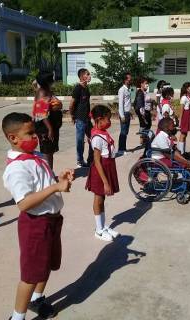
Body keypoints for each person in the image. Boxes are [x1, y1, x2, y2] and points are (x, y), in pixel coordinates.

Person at [2, 112, 74, 320]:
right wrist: (55, 188)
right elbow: (24, 203)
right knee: (30, 275)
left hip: (52, 220)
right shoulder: (16, 168)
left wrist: (59, 178)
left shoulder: (37, 157)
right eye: (30, 133)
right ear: (13, 138)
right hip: (35, 224)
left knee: (47, 265)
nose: (36, 137)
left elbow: (45, 182)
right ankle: (17, 317)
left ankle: (37, 298)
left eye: (35, 132)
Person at [151, 118, 190, 197]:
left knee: (188, 164)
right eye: (172, 125)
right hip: (159, 161)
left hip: (165, 158)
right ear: (166, 127)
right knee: (186, 165)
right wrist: (185, 162)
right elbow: (169, 155)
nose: (174, 126)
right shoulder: (161, 137)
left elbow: (174, 151)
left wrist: (185, 160)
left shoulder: (166, 136)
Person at [85, 105, 120, 241]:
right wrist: (105, 182)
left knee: (102, 198)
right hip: (101, 170)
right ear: (99, 119)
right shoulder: (97, 137)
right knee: (98, 198)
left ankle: (103, 226)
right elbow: (97, 161)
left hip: (108, 166)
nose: (110, 122)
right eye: (108, 119)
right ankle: (98, 230)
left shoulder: (103, 132)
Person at [32, 72, 63, 170]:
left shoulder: (46, 90)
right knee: (47, 152)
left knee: (50, 151)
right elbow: (41, 113)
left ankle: (50, 173)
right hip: (45, 126)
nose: (53, 80)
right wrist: (50, 129)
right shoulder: (42, 93)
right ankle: (48, 175)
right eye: (51, 79)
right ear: (47, 82)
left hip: (51, 124)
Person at [69, 68, 93, 167]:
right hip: (80, 119)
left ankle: (91, 159)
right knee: (80, 140)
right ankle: (80, 160)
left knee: (93, 137)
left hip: (87, 119)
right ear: (82, 76)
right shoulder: (77, 88)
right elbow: (71, 104)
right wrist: (72, 116)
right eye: (87, 74)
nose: (89, 76)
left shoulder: (86, 88)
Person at [178, 82, 190, 157]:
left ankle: (183, 151)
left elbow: (189, 106)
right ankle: (181, 153)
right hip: (185, 116)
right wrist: (180, 121)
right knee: (183, 134)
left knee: (185, 134)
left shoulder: (188, 96)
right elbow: (181, 110)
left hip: (188, 115)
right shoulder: (184, 97)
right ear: (186, 89)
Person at [118, 72, 132, 154]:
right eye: (129, 79)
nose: (130, 80)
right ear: (125, 80)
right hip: (124, 113)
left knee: (126, 131)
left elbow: (128, 103)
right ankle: (121, 149)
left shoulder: (128, 89)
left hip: (127, 113)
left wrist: (130, 112)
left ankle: (124, 147)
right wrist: (122, 115)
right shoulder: (122, 90)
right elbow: (121, 104)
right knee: (123, 131)